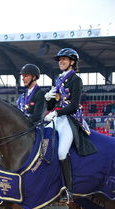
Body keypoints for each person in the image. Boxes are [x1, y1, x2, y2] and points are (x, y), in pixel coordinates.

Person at [44, 48, 97, 201]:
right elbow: (50, 107)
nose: (61, 61)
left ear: (72, 62)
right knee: (42, 146)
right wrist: (48, 98)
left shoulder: (76, 80)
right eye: (60, 59)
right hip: (57, 118)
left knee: (61, 153)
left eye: (64, 59)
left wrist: (56, 113)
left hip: (70, 119)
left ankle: (69, 190)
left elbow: (73, 106)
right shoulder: (58, 79)